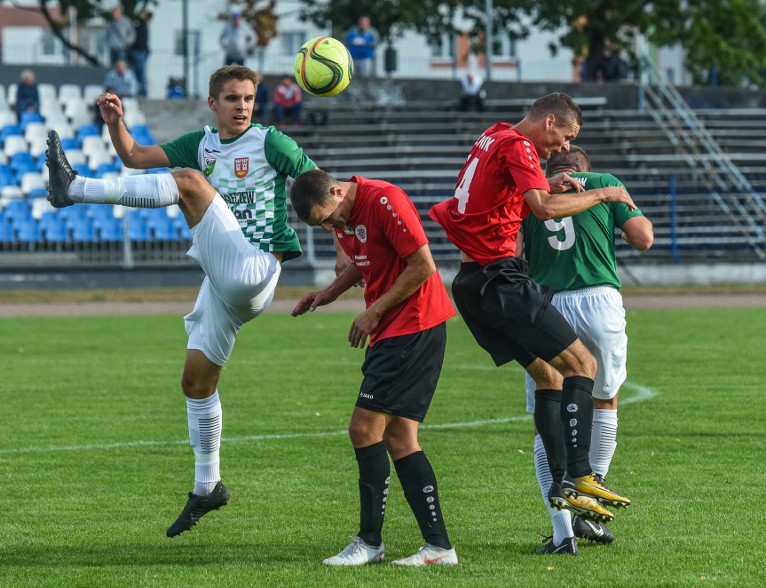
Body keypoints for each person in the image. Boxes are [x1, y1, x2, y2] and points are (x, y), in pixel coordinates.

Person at [44, 65, 317, 538]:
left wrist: (344, 255)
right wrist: (115, 124)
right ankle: (207, 486)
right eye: (232, 98)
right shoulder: (202, 142)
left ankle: (74, 189)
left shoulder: (271, 143)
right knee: (195, 382)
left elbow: (318, 187)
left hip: (254, 269)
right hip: (220, 279)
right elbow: (133, 156)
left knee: (188, 182)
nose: (242, 106)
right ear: (213, 104)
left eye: (249, 98)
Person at [429, 93, 636, 556]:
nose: (560, 148)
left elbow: (490, 205)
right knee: (582, 363)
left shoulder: (491, 137)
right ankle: (579, 474)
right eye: (564, 136)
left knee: (549, 376)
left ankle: (564, 486)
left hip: (471, 283)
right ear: (548, 121)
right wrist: (601, 192)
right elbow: (541, 209)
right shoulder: (521, 147)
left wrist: (546, 184)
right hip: (501, 279)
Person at [290, 169, 458, 567]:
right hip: (398, 330)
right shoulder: (345, 211)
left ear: (336, 191)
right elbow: (365, 262)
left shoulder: (385, 200)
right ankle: (438, 547)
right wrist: (327, 294)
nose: (332, 226)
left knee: (364, 429)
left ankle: (370, 543)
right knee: (400, 438)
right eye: (323, 225)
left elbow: (423, 265)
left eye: (328, 218)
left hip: (412, 324)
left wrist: (373, 312)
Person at [517, 147, 653, 554]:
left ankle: (563, 534)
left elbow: (511, 253)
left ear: (551, 171)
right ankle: (588, 506)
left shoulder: (530, 195)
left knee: (547, 411)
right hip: (600, 302)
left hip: (546, 304)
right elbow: (643, 238)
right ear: (585, 171)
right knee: (604, 402)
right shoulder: (606, 183)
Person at [129, 10, 151, 97]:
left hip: (141, 51)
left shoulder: (142, 25)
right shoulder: (140, 25)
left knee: (140, 73)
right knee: (140, 73)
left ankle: (142, 91)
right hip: (139, 51)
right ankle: (142, 91)